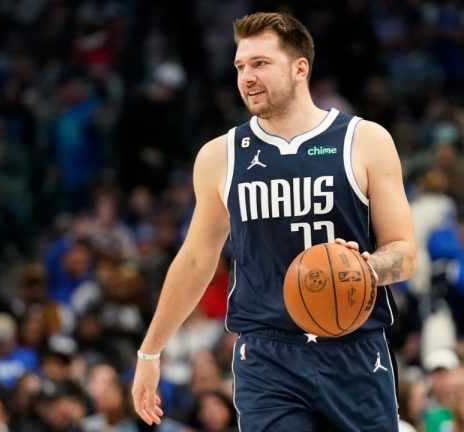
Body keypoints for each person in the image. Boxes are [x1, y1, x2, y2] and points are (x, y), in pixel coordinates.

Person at [131, 11, 416, 431]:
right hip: (268, 356)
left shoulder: (365, 140)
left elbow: (405, 253)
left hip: (355, 349)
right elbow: (195, 260)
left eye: (260, 63)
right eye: (240, 66)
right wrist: (149, 352)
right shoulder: (220, 156)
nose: (247, 76)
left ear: (300, 68)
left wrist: (366, 269)